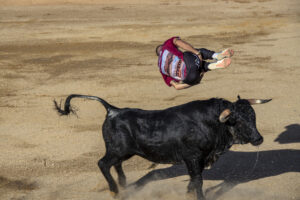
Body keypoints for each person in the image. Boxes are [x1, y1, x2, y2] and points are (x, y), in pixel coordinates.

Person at [156, 36, 234, 90]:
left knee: (199, 67)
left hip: (190, 78)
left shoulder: (161, 69)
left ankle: (210, 66)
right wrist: (196, 52)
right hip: (190, 62)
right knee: (196, 52)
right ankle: (216, 55)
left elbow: (177, 87)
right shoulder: (166, 44)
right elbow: (181, 44)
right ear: (162, 47)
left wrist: (195, 82)